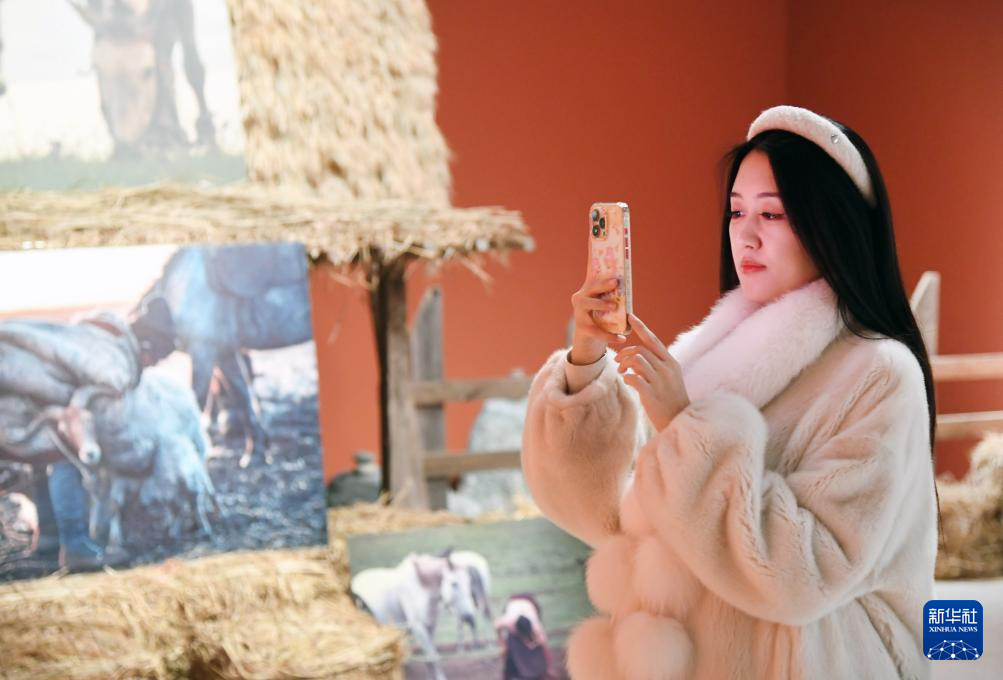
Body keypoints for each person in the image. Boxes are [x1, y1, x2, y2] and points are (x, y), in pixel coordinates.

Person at [520, 105, 941, 680]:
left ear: (831, 224)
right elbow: (607, 515)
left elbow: (803, 575)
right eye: (737, 211)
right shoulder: (708, 358)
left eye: (772, 213)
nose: (746, 233)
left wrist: (687, 428)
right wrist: (585, 362)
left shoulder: (879, 373)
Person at [0, 296, 177, 571]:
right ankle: (76, 547)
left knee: (43, 454)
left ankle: (48, 539)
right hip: (11, 404)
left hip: (17, 400)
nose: (151, 364)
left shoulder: (96, 338)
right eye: (154, 358)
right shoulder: (113, 359)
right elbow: (110, 387)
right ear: (147, 346)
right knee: (64, 455)